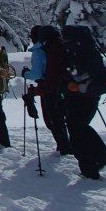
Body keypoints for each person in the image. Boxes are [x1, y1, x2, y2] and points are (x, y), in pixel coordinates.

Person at [61, 25, 106, 180]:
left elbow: (78, 73)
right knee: (79, 127)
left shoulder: (78, 51)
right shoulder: (88, 49)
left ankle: (94, 163)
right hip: (89, 94)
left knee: (77, 128)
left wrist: (75, 85)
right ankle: (96, 161)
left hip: (80, 95)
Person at [21, 25, 71, 155]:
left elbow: (37, 74)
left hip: (47, 87)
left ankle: (64, 147)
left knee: (52, 119)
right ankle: (66, 144)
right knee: (60, 117)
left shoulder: (38, 51)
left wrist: (26, 74)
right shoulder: (54, 47)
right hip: (63, 86)